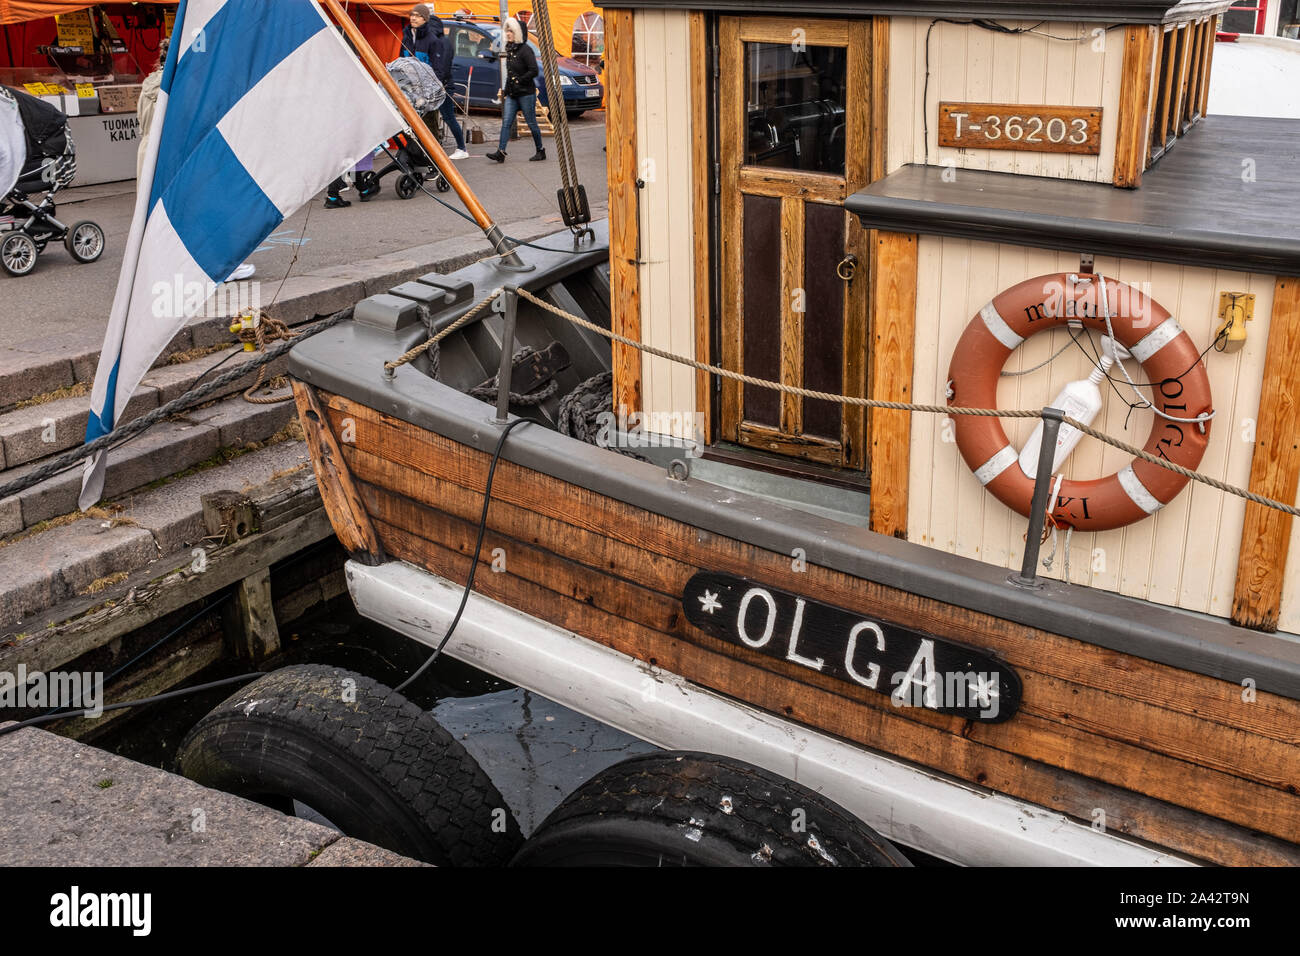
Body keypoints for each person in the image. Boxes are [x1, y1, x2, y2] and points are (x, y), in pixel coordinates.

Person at [401, 3, 468, 160]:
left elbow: (441, 68)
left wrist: (436, 87)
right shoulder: (414, 38)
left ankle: (461, 148)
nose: (413, 18)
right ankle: (433, 150)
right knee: (443, 117)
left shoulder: (438, 42)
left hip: (441, 86)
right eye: (413, 15)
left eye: (418, 16)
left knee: (446, 117)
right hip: (430, 87)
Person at [485, 18, 545, 163]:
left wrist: (519, 80)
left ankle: (540, 150)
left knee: (531, 123)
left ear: (517, 32)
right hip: (512, 93)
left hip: (526, 93)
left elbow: (534, 71)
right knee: (506, 122)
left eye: (511, 31)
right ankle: (501, 152)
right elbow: (510, 72)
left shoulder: (526, 50)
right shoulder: (510, 49)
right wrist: (506, 90)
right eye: (507, 30)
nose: (508, 33)